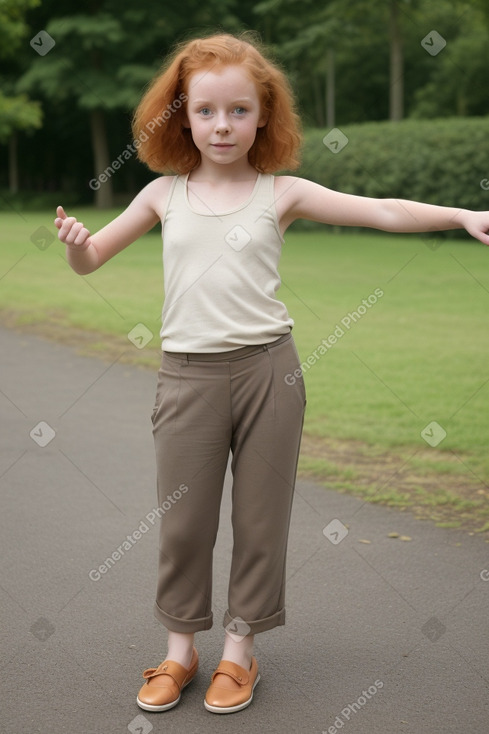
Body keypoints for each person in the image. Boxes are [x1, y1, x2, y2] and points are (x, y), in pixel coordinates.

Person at [55, 31, 489, 716]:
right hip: (186, 377)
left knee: (260, 522)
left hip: (269, 375)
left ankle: (238, 653)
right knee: (182, 524)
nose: (221, 125)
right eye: (204, 111)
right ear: (181, 115)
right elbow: (92, 261)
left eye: (237, 111)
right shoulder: (162, 194)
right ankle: (179, 652)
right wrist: (78, 246)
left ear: (263, 116)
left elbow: (380, 210)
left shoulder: (279, 192)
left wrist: (463, 213)